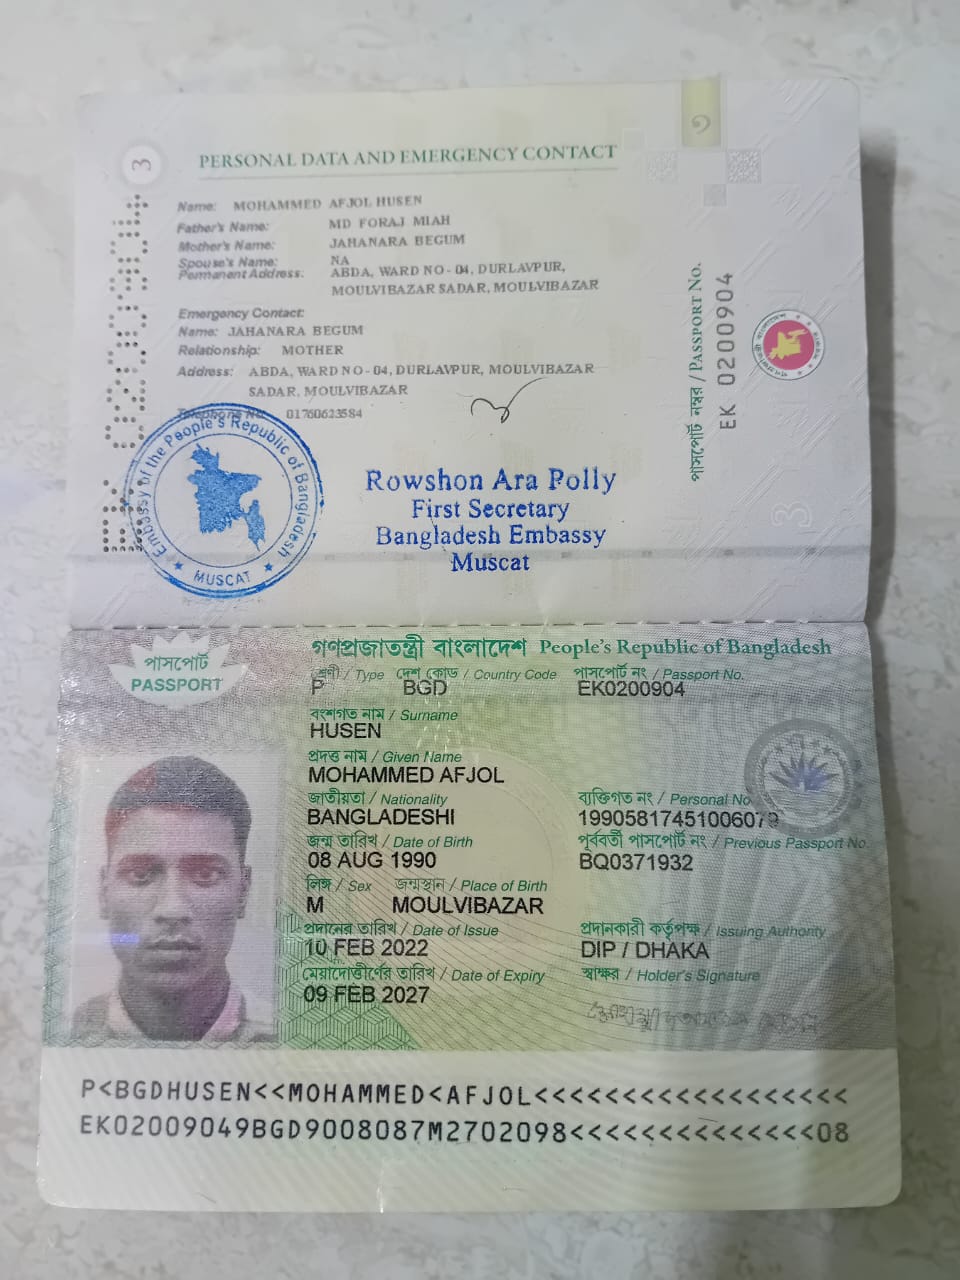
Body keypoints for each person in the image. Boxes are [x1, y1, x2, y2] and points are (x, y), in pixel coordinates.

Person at [72, 755, 271, 1044]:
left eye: (206, 874)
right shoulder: (59, 1035)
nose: (172, 909)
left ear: (243, 891)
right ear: (104, 891)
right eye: (140, 874)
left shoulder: (286, 1036)